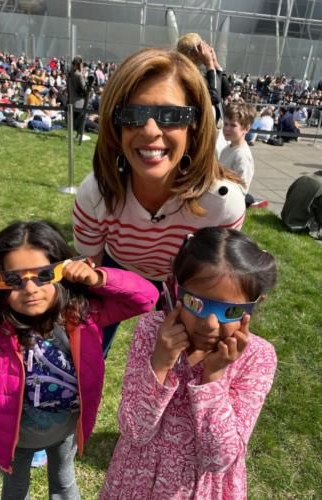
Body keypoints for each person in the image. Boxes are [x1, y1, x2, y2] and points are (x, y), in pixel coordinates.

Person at [0, 220, 158, 500]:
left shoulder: (82, 313)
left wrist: (100, 278)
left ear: (62, 271)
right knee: (15, 489)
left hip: (67, 427)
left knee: (64, 483)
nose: (31, 289)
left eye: (43, 275)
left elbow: (145, 298)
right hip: (13, 437)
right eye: (14, 280)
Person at [72, 47, 246, 353]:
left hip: (180, 281)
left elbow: (213, 284)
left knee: (182, 363)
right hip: (115, 267)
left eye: (170, 116)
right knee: (82, 350)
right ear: (116, 125)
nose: (150, 131)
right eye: (132, 115)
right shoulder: (95, 193)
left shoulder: (223, 203)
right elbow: (88, 273)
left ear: (195, 123)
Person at [100, 227, 278, 499]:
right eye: (196, 303)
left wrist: (214, 377)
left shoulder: (258, 357)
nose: (210, 324)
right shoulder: (151, 330)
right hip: (135, 481)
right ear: (174, 288)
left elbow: (219, 458)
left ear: (254, 305)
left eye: (230, 311)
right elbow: (132, 430)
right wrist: (160, 361)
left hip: (200, 490)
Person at [176, 33, 231, 157]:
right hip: (202, 136)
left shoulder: (200, 73)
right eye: (201, 47)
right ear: (194, 53)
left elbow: (226, 90)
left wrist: (215, 64)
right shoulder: (185, 75)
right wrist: (209, 65)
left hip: (213, 132)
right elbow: (214, 97)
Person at [219, 102, 267, 209]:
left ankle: (249, 203)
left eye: (233, 125)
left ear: (246, 129)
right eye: (226, 124)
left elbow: (242, 187)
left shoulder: (242, 155)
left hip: (228, 200)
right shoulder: (227, 149)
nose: (227, 128)